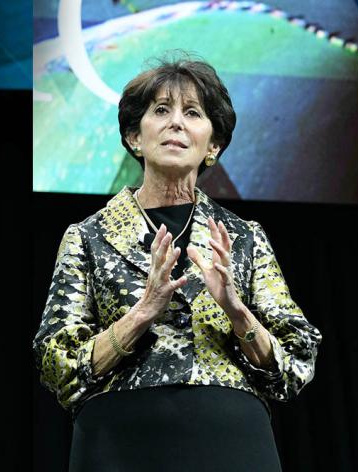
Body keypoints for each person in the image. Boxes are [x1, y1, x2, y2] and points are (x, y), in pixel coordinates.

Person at [32, 59, 321, 471]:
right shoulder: (87, 237)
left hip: (232, 443)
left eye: (192, 113)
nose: (176, 124)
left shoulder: (244, 238)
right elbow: (56, 365)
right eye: (161, 110)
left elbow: (296, 362)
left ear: (213, 145)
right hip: (119, 444)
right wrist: (142, 312)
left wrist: (238, 313)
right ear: (134, 136)